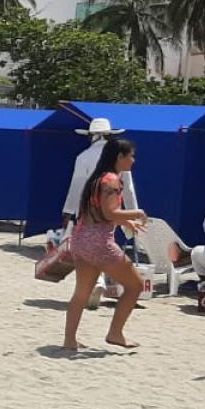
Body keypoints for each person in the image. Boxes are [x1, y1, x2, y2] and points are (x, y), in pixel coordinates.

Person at [63, 138, 149, 351]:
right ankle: (115, 333)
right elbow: (109, 212)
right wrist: (137, 213)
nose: (133, 160)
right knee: (135, 286)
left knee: (81, 293)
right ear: (119, 157)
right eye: (131, 155)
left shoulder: (97, 178)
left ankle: (69, 340)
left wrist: (125, 220)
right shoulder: (111, 180)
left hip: (81, 240)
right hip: (100, 244)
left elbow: (98, 213)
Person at [62, 118, 138, 226]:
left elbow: (76, 186)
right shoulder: (120, 156)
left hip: (89, 214)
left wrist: (68, 213)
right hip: (112, 210)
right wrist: (133, 214)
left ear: (91, 136)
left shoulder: (83, 157)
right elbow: (128, 189)